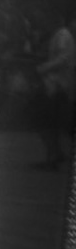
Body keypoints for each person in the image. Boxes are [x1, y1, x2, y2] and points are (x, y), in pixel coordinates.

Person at [39, 9, 76, 169]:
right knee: (53, 122)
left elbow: (63, 58)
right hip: (60, 84)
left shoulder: (62, 34)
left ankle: (53, 156)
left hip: (56, 85)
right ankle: (55, 154)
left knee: (47, 122)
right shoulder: (64, 34)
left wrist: (43, 68)